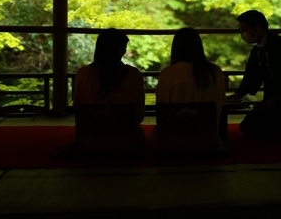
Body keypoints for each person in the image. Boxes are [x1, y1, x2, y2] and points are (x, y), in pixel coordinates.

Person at [71, 28, 146, 156]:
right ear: (120, 49)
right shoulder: (134, 74)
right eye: (124, 47)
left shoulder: (84, 73)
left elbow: (79, 109)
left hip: (91, 139)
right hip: (127, 141)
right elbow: (139, 114)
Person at [154, 28, 226, 151]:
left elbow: (162, 107)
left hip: (172, 142)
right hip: (208, 140)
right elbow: (220, 102)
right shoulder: (215, 72)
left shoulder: (168, 73)